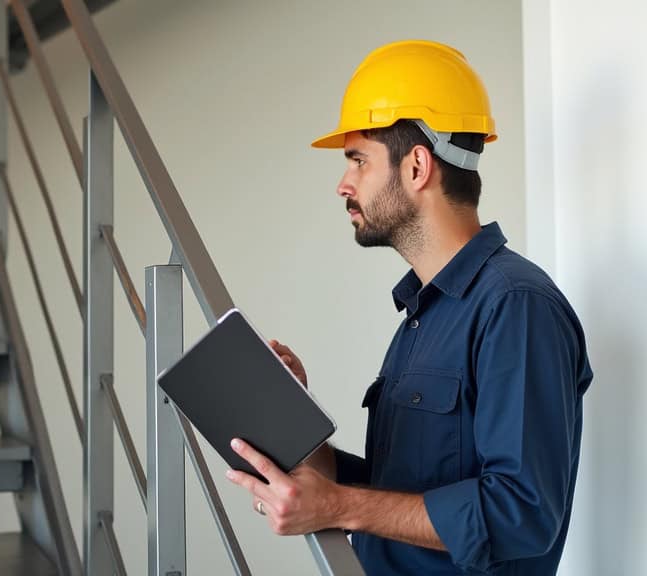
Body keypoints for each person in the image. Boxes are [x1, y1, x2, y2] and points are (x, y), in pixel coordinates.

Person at [225, 40, 593, 575]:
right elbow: (396, 498)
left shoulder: (515, 307)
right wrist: (297, 436)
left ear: (417, 165)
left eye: (358, 160)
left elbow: (524, 514)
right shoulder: (425, 315)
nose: (343, 184)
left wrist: (338, 506)